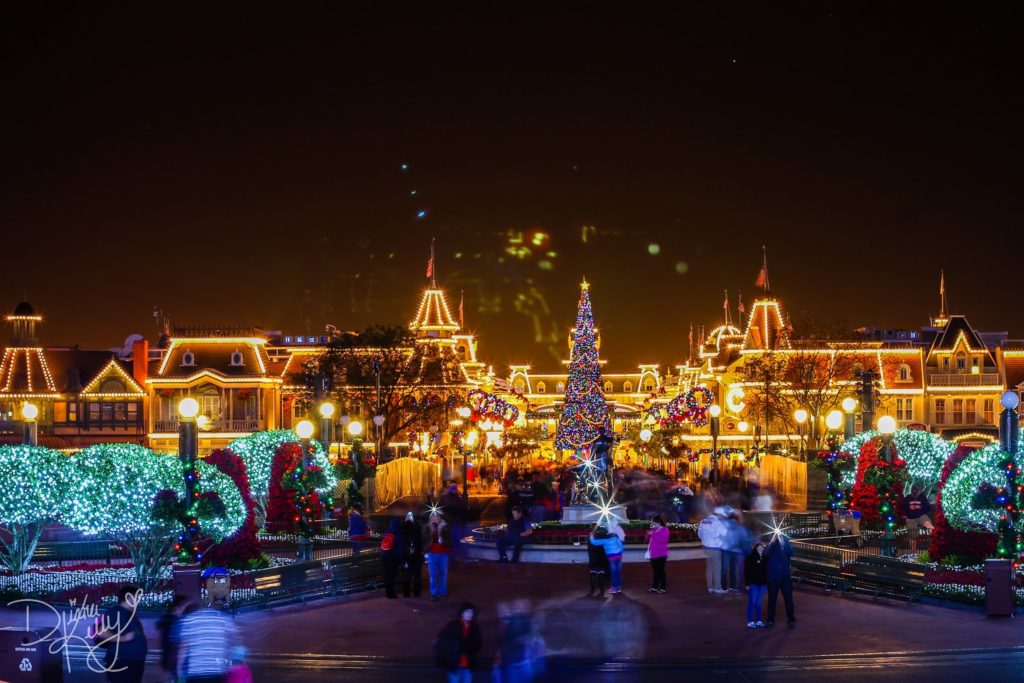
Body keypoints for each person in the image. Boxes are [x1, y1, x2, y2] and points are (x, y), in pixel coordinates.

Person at [95, 585, 148, 683]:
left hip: (133, 662)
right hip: (122, 662)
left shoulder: (130, 613)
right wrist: (123, 638)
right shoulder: (116, 612)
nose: (139, 601)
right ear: (129, 597)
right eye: (137, 597)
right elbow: (102, 632)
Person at [177, 604, 240, 682]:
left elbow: (183, 647)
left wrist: (178, 668)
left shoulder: (189, 620)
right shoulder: (224, 618)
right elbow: (234, 641)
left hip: (195, 672)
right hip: (217, 671)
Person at [434, 602, 483, 683]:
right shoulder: (452, 625)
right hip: (454, 664)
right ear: (461, 613)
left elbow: (478, 644)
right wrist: (458, 647)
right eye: (467, 612)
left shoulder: (474, 627)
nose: (469, 614)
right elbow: (441, 642)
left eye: (471, 612)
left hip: (468, 664)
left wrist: (465, 647)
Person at [156, 595, 191, 682]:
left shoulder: (166, 619)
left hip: (169, 656)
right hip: (175, 658)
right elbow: (179, 642)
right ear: (180, 606)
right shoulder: (178, 621)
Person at [764, 534, 795, 629]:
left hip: (785, 578)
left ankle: (791, 620)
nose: (777, 536)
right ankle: (770, 620)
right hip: (773, 578)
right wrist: (772, 542)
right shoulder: (770, 546)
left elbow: (790, 552)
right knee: (772, 600)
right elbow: (766, 554)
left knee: (788, 599)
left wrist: (783, 541)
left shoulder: (786, 545)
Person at [589, 519, 625, 594]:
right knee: (618, 572)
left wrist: (591, 535)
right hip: (618, 556)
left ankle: (613, 588)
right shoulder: (615, 537)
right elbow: (621, 546)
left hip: (612, 557)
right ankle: (618, 588)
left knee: (613, 573)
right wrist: (620, 552)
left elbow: (594, 542)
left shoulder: (605, 540)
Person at [698, 508, 728, 594]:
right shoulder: (717, 523)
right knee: (717, 568)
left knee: (709, 568)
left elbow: (699, 535)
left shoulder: (703, 521)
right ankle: (717, 588)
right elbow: (725, 534)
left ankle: (710, 587)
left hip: (706, 547)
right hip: (715, 548)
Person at [424, 510, 453, 600]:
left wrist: (443, 539)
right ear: (431, 518)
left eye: (437, 516)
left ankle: (442, 593)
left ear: (440, 517)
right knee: (433, 574)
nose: (435, 518)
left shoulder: (445, 526)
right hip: (432, 552)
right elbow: (424, 539)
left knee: (443, 574)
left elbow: (450, 538)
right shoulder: (428, 527)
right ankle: (434, 593)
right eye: (433, 516)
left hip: (443, 552)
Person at [722, 508, 750, 593]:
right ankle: (737, 587)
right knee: (738, 570)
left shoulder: (725, 526)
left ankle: (726, 586)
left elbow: (721, 537)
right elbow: (745, 540)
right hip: (738, 551)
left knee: (727, 569)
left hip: (728, 550)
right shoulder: (741, 527)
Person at [400, 511, 424, 597]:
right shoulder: (404, 527)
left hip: (415, 555)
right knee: (409, 575)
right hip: (409, 555)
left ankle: (415, 592)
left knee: (414, 574)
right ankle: (409, 592)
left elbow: (420, 541)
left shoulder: (416, 527)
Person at [745, 541, 769, 628]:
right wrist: (747, 583)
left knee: (759, 603)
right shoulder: (751, 558)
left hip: (763, 583)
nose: (761, 548)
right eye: (759, 546)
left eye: (762, 546)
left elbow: (767, 571)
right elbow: (746, 571)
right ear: (756, 548)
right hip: (753, 583)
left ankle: (758, 620)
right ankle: (750, 620)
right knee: (752, 601)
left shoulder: (766, 558)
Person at [381, 517, 404, 599]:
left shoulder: (386, 532)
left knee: (387, 575)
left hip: (385, 556)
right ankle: (391, 593)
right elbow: (400, 547)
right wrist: (401, 558)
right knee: (392, 575)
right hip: (394, 557)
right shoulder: (398, 534)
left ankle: (388, 592)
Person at [647, 515, 669, 593]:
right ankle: (654, 587)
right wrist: (649, 535)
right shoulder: (654, 530)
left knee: (661, 571)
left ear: (658, 522)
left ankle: (663, 588)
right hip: (653, 553)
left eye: (654, 523)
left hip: (661, 554)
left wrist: (652, 534)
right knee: (655, 571)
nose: (653, 524)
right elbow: (651, 540)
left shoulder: (664, 530)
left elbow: (663, 540)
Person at [587, 526, 610, 597]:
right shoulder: (605, 540)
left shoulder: (591, 538)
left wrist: (591, 535)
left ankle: (592, 590)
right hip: (601, 559)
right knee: (601, 574)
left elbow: (592, 544)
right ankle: (602, 589)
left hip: (593, 559)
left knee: (593, 574)